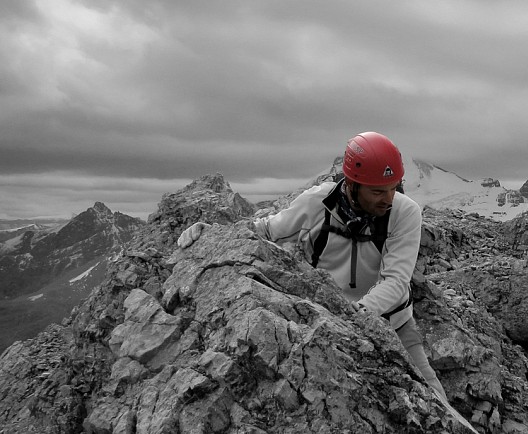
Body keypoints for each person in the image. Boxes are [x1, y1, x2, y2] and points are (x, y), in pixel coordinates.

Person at [177, 132, 446, 401]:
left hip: (392, 323)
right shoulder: (315, 204)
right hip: (333, 327)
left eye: (393, 188)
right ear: (352, 184)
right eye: (377, 191)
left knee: (436, 402)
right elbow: (266, 231)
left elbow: (396, 282)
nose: (388, 199)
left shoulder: (404, 212)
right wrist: (214, 234)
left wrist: (357, 315)